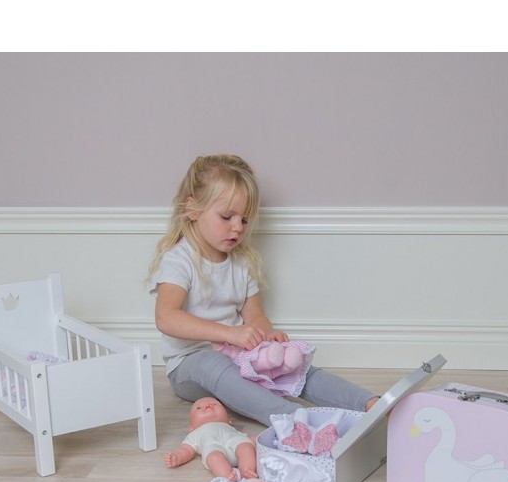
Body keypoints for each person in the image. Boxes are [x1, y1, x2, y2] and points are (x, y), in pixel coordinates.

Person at [147, 154, 378, 427]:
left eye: (244, 220)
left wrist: (267, 338)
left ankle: (370, 403)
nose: (238, 227)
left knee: (293, 367)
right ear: (193, 209)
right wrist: (229, 334)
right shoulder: (179, 261)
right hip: (189, 366)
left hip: (236, 356)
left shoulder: (241, 262)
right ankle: (295, 421)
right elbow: (166, 318)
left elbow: (254, 315)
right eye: (226, 216)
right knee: (212, 364)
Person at [164, 396, 257, 482]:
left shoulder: (228, 427)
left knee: (246, 447)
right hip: (214, 449)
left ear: (229, 421)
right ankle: (227, 475)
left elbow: (247, 437)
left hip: (234, 443)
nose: (208, 406)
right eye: (199, 408)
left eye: (215, 404)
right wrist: (177, 457)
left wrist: (255, 440)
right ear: (191, 428)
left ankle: (247, 470)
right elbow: (186, 450)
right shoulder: (195, 433)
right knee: (214, 458)